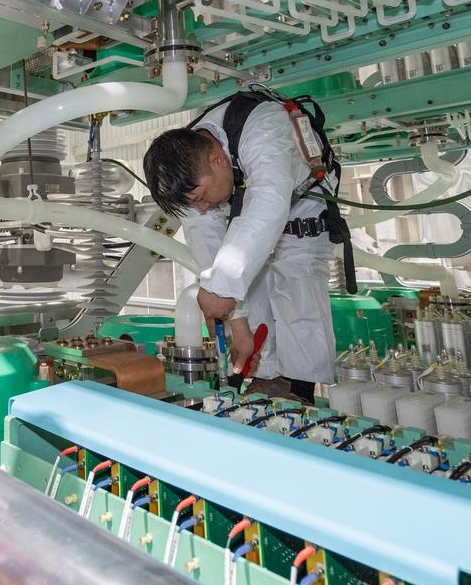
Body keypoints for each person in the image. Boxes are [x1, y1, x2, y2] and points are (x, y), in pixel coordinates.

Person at [143, 87, 353, 402]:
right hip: (250, 206)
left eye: (201, 198)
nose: (202, 208)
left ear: (218, 160)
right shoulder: (187, 169)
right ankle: (267, 377)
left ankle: (300, 388)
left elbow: (268, 202)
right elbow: (208, 243)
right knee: (247, 286)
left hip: (303, 202)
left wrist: (222, 288)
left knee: (298, 282)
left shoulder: (263, 128)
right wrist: (237, 321)